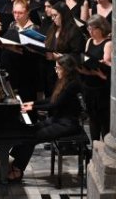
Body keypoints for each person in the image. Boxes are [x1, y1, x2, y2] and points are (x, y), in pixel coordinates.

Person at [8, 54, 83, 182]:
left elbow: (54, 104)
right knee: (28, 131)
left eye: (58, 68)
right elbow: (52, 98)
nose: (56, 70)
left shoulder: (73, 84)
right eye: (56, 67)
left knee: (32, 137)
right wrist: (33, 103)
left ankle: (18, 169)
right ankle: (15, 163)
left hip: (67, 124)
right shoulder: (63, 80)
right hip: (58, 120)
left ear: (66, 69)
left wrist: (32, 108)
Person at [80, 14, 112, 141]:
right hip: (89, 86)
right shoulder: (89, 41)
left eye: (93, 29)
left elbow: (105, 67)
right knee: (92, 120)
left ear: (102, 28)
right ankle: (95, 150)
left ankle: (104, 152)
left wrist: (94, 70)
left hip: (101, 88)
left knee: (103, 121)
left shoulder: (108, 44)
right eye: (88, 29)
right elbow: (87, 58)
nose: (90, 32)